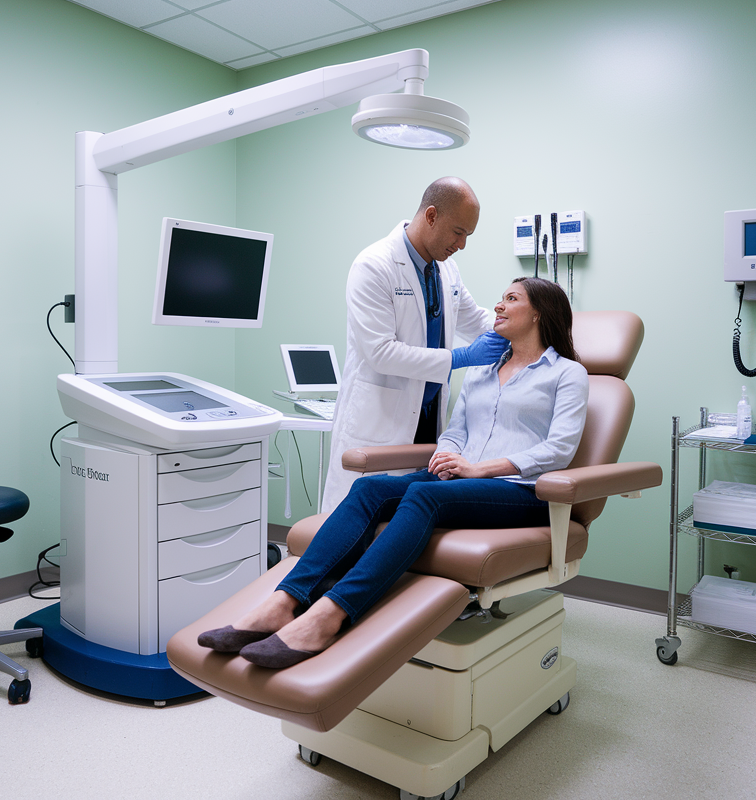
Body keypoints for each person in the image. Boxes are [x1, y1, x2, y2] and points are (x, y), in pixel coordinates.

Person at [200, 277, 588, 668]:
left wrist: (477, 469)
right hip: (462, 482)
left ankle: (329, 615)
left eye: (511, 299)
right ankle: (283, 602)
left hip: (521, 491)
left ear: (538, 313)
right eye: (501, 298)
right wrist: (449, 456)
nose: (498, 306)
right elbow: (455, 432)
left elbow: (558, 449)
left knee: (424, 495)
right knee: (370, 489)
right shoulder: (482, 371)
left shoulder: (567, 373)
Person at [321, 177, 508, 514]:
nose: (462, 245)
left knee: (407, 524)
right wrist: (461, 358)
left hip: (427, 422)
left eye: (468, 235)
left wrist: (519, 327)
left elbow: (473, 318)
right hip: (380, 422)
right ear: (432, 216)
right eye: (458, 232)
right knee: (355, 526)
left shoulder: (447, 270)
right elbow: (380, 352)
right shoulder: (374, 265)